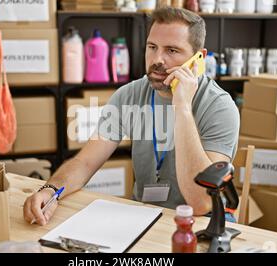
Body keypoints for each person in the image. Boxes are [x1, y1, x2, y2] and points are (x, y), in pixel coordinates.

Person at [23, 7, 240, 226]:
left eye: (172, 50)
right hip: (146, 215)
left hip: (203, 222)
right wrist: (50, 190)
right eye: (152, 47)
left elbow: (200, 202)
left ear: (198, 59)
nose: (158, 59)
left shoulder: (219, 106)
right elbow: (85, 162)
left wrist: (182, 107)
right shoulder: (129, 95)